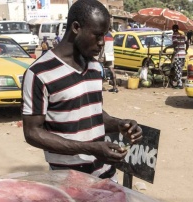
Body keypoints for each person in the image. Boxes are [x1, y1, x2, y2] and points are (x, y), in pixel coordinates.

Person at [22, 0, 143, 179]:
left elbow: (91, 112)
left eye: (105, 36)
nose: (102, 43)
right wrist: (89, 148)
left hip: (106, 176)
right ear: (76, 27)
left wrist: (118, 125)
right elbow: (33, 133)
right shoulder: (39, 73)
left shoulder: (94, 67)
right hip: (67, 180)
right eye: (97, 35)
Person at [163, 24, 188, 89]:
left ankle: (180, 84)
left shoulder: (174, 35)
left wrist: (166, 48)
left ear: (173, 29)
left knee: (177, 70)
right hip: (183, 54)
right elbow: (187, 43)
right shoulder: (182, 35)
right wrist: (186, 50)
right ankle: (180, 83)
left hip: (178, 54)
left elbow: (175, 44)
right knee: (180, 69)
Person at [98, 26, 118, 93]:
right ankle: (115, 87)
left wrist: (100, 57)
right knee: (112, 69)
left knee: (99, 69)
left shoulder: (104, 36)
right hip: (110, 54)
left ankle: (99, 87)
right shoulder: (111, 36)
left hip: (104, 54)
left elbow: (102, 47)